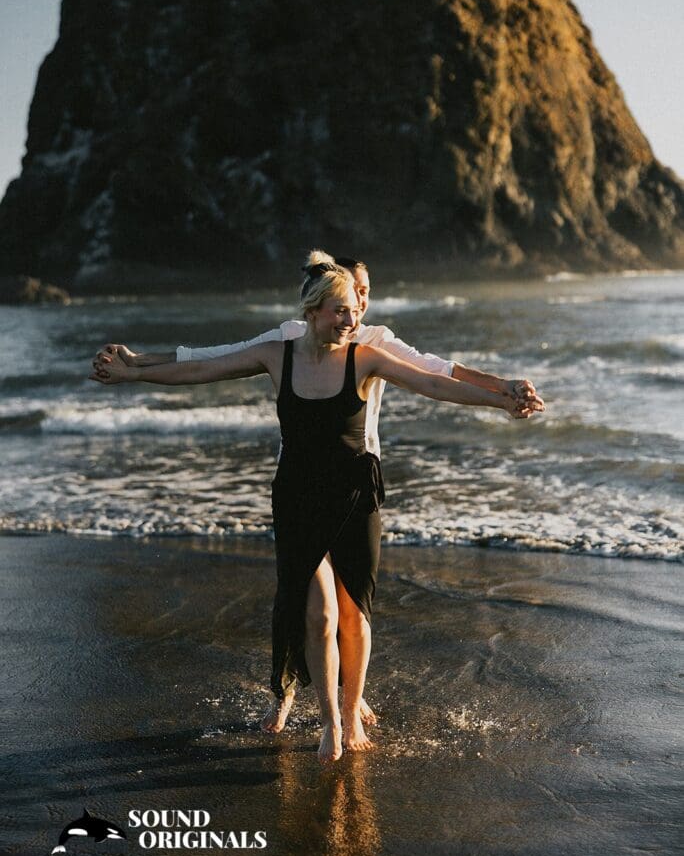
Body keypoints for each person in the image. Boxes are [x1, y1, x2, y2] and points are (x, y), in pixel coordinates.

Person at [90, 253, 544, 763]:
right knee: (317, 611)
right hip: (299, 496)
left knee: (355, 612)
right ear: (312, 311)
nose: (354, 318)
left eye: (356, 308)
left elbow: (436, 380)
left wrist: (502, 397)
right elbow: (204, 365)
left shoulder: (370, 351)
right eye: (343, 309)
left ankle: (350, 712)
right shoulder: (278, 350)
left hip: (355, 494)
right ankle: (327, 721)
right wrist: (135, 372)